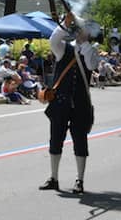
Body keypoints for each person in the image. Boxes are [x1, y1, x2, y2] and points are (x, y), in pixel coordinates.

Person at [40, 12, 99, 195]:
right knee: (55, 140)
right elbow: (53, 40)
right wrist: (65, 24)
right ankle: (53, 177)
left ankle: (79, 180)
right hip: (60, 103)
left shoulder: (91, 50)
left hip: (80, 104)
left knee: (80, 142)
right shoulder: (63, 49)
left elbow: (90, 65)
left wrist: (84, 43)